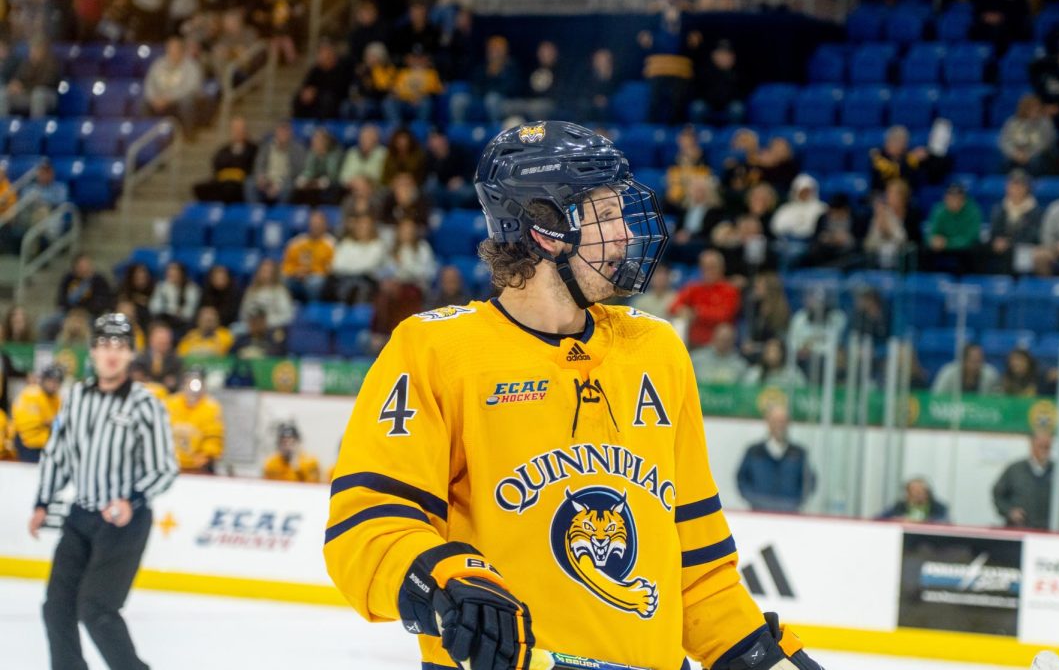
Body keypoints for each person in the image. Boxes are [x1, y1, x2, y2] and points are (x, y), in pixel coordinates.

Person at [323, 120, 826, 670]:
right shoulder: (435, 351)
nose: (626, 235)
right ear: (544, 228)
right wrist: (444, 579)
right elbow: (366, 528)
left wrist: (757, 655)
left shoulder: (657, 352)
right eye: (607, 216)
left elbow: (698, 570)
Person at [29, 313, 178, 670]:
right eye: (105, 345)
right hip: (80, 517)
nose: (112, 353)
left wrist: (133, 499)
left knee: (96, 610)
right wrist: (43, 502)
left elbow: (165, 468)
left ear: (130, 355)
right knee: (56, 608)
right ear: (93, 351)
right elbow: (58, 454)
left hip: (124, 522)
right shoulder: (77, 396)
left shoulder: (146, 404)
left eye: (120, 347)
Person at [992, 431, 1059, 531]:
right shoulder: (1015, 470)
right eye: (1041, 446)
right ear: (1032, 445)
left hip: (1048, 531)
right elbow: (998, 494)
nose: (1044, 451)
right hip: (1019, 529)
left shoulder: (1058, 472)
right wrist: (1009, 511)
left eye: (1048, 447)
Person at [736, 402, 817, 513]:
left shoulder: (799, 453)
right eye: (775, 421)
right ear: (768, 422)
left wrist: (795, 502)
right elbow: (742, 479)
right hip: (758, 515)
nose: (779, 425)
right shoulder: (754, 451)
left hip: (790, 515)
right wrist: (755, 501)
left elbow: (809, 481)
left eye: (783, 421)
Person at [669, 249, 741, 347]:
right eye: (705, 267)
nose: (708, 271)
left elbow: (725, 316)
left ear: (722, 268)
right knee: (678, 322)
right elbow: (673, 307)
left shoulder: (729, 290)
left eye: (712, 267)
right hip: (693, 340)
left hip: (718, 343)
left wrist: (697, 313)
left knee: (724, 330)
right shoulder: (694, 287)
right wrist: (683, 310)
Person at [164, 369, 224, 474]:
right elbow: (160, 432)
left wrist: (206, 455)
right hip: (169, 465)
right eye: (189, 382)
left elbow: (214, 436)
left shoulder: (211, 407)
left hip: (198, 467)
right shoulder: (170, 403)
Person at [142, 36, 205, 133]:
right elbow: (149, 83)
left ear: (182, 51)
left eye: (176, 50)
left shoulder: (191, 66)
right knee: (144, 102)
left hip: (179, 100)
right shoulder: (158, 64)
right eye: (170, 50)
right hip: (160, 100)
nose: (173, 53)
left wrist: (169, 99)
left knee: (187, 102)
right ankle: (147, 134)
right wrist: (153, 98)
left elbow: (191, 88)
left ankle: (188, 135)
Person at [193, 116, 258, 203]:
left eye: (240, 129)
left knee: (231, 188)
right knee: (200, 188)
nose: (238, 132)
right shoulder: (224, 150)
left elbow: (252, 167)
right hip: (223, 180)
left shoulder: (253, 149)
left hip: (240, 182)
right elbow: (217, 164)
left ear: (245, 131)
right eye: (235, 129)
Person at [923, 182, 982, 275]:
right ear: (945, 199)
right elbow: (931, 233)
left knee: (974, 250)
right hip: (942, 247)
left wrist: (947, 243)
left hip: (963, 249)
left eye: (958, 198)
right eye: (951, 198)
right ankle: (927, 280)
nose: (955, 201)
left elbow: (970, 238)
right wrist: (933, 240)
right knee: (925, 250)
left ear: (964, 199)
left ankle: (968, 282)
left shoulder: (973, 211)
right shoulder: (938, 210)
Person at [11, 363, 64, 462]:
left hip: (47, 445)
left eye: (57, 381)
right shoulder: (31, 394)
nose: (53, 384)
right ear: (43, 380)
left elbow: (59, 423)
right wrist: (50, 422)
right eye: (50, 380)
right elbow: (28, 425)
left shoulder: (57, 399)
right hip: (28, 445)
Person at [282, 209, 337, 302]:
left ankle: (313, 309)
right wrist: (295, 272)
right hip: (296, 277)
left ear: (325, 225)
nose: (315, 226)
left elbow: (331, 268)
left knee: (314, 283)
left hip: (317, 278)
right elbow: (286, 265)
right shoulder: (297, 242)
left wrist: (310, 271)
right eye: (313, 223)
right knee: (282, 279)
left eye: (318, 223)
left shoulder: (331, 243)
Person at [246, 121, 306, 204]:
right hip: (267, 180)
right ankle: (255, 212)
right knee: (250, 182)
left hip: (284, 181)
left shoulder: (298, 149)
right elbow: (259, 164)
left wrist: (278, 185)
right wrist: (260, 177)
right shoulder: (266, 146)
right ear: (276, 132)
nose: (283, 134)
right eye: (281, 131)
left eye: (286, 131)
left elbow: (298, 170)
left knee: (288, 186)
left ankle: (281, 212)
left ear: (290, 133)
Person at [0, 37, 59, 117]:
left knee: (38, 94)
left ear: (43, 51)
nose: (33, 53)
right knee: (3, 92)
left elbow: (46, 83)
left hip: (48, 95)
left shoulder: (52, 64)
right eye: (32, 50)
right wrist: (15, 85)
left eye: (36, 50)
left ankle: (36, 126)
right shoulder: (27, 63)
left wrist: (24, 87)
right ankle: (3, 125)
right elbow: (19, 77)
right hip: (28, 94)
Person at [293, 38, 351, 119]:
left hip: (336, 97)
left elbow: (340, 87)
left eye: (325, 52)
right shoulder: (316, 69)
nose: (323, 55)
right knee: (299, 97)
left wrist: (316, 92)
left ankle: (323, 124)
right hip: (318, 96)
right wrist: (307, 91)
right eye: (321, 52)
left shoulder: (341, 68)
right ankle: (300, 123)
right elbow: (307, 84)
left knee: (327, 100)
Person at [239, 258, 295, 330]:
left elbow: (287, 316)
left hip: (272, 328)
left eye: (268, 271)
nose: (265, 274)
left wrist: (265, 322)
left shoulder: (280, 291)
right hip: (251, 327)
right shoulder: (251, 290)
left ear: (274, 273)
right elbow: (243, 313)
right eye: (263, 271)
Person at [148, 261, 200, 334]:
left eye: (175, 270)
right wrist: (173, 310)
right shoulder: (161, 287)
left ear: (182, 273)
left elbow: (189, 313)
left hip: (183, 323)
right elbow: (154, 307)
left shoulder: (191, 289)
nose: (171, 273)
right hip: (165, 320)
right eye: (169, 270)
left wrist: (173, 311)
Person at [932, 343, 1001, 396]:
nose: (976, 365)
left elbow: (997, 400)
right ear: (963, 361)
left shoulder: (991, 375)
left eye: (979, 361)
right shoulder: (948, 372)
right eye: (972, 361)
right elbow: (936, 396)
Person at [877, 478, 949, 523]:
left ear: (927, 493)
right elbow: (879, 518)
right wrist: (896, 519)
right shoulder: (900, 506)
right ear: (907, 493)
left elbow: (944, 520)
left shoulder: (938, 507)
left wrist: (923, 521)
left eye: (921, 491)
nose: (918, 494)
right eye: (914, 491)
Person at [138, 321, 183, 393]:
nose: (163, 341)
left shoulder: (176, 361)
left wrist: (174, 381)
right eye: (160, 338)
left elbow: (180, 379)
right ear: (151, 339)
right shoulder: (140, 359)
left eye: (166, 338)